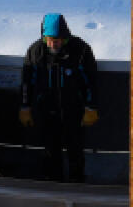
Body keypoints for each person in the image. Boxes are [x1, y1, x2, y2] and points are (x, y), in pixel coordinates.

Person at [20, 14, 102, 182]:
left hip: (74, 111)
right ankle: (53, 184)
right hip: (47, 111)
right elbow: (27, 83)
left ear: (65, 37)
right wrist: (25, 107)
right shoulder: (36, 52)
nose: (54, 43)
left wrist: (91, 107)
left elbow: (91, 81)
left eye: (58, 39)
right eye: (50, 39)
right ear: (44, 37)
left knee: (75, 150)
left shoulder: (80, 50)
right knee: (50, 151)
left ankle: (77, 183)